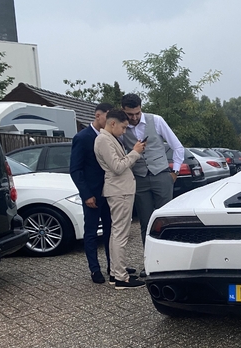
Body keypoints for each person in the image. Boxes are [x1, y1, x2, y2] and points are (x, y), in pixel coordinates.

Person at [120, 94, 184, 251]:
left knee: (167, 220)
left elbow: (178, 147)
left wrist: (174, 172)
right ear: (123, 111)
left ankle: (170, 258)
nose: (134, 117)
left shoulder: (156, 120)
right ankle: (149, 260)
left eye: (137, 113)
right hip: (139, 178)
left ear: (141, 108)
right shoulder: (121, 128)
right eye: (130, 114)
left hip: (162, 175)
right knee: (146, 223)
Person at [94, 109, 146, 289]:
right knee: (120, 234)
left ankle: (117, 273)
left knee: (117, 233)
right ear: (113, 123)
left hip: (120, 190)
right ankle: (121, 278)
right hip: (119, 191)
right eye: (123, 128)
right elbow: (117, 167)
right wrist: (135, 152)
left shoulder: (109, 138)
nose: (124, 131)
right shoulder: (103, 140)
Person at [70, 103, 113, 284]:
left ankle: (113, 266)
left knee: (112, 231)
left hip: (110, 192)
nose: (111, 122)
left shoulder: (110, 137)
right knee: (91, 232)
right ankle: (95, 269)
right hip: (92, 195)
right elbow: (76, 169)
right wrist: (86, 194)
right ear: (98, 116)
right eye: (108, 118)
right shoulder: (82, 137)